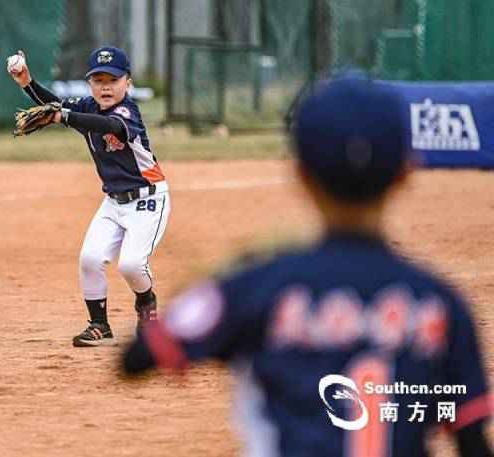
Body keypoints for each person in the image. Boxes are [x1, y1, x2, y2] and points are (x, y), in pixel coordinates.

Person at [121, 76, 493, 456]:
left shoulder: (263, 286)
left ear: (300, 173)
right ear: (406, 170)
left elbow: (136, 358)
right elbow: (472, 441)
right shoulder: (441, 303)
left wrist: (218, 281)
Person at [7, 46, 170, 347]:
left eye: (113, 79)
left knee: (131, 265)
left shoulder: (127, 113)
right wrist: (27, 82)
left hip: (148, 200)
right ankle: (99, 326)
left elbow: (109, 126)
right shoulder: (87, 107)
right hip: (113, 201)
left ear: (128, 83)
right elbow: (53, 104)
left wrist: (64, 117)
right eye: (98, 80)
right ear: (90, 84)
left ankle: (147, 305)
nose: (106, 87)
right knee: (90, 258)